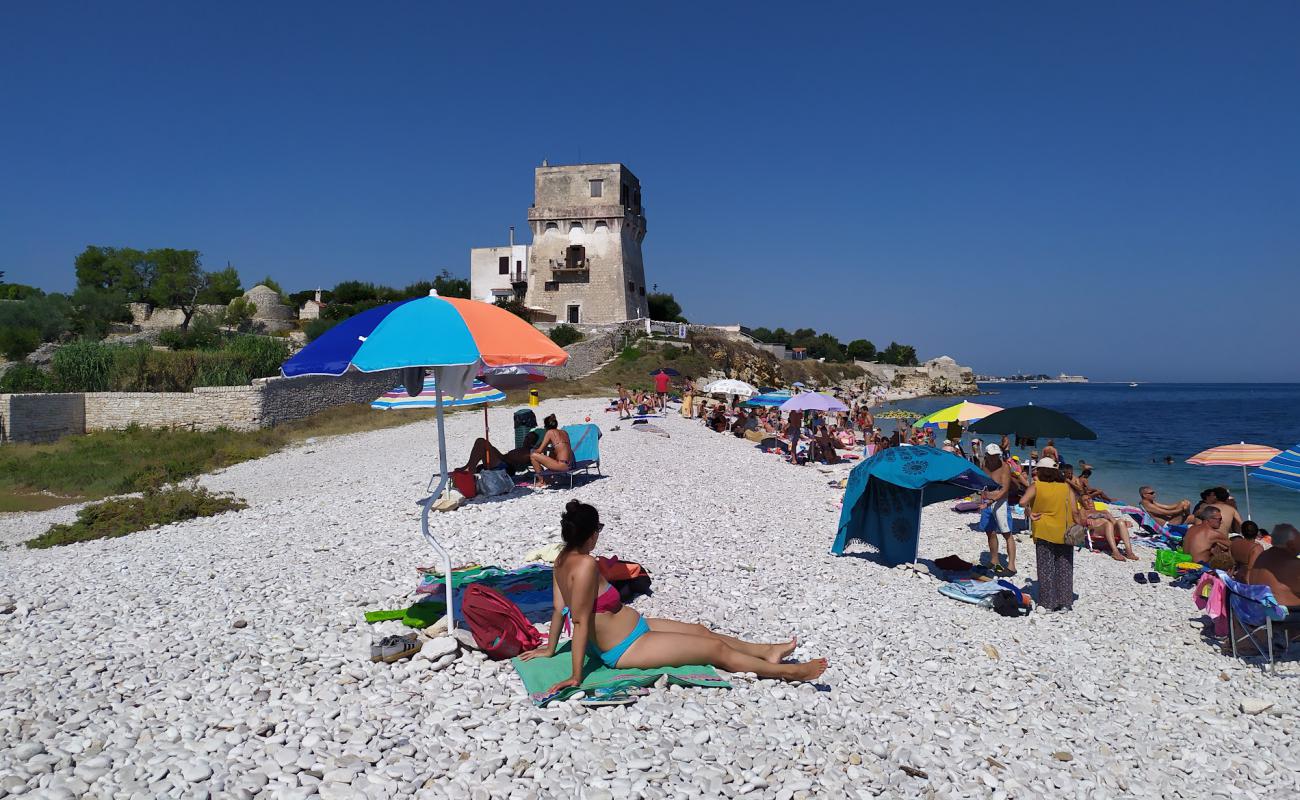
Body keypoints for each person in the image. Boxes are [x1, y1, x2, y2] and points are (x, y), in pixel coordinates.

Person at [521, 501, 829, 689]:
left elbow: (557, 611)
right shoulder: (586, 564)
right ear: (591, 534)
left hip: (636, 628)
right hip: (625, 648)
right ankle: (786, 673)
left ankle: (766, 650)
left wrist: (550, 650)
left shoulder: (561, 560)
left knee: (700, 631)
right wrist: (577, 676)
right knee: (714, 650)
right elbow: (580, 620)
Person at [1018, 457, 1081, 612]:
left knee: (1046, 567)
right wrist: (1080, 525)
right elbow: (1074, 510)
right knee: (1065, 566)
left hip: (1044, 529)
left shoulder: (1036, 486)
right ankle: (1065, 603)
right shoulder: (1066, 487)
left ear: (1040, 471)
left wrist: (1029, 511)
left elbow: (1022, 502)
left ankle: (1047, 603)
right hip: (1065, 531)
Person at [979, 444, 1017, 575]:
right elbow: (982, 482)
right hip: (987, 501)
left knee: (1007, 533)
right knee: (989, 531)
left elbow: (1005, 489)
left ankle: (1011, 566)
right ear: (987, 455)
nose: (995, 458)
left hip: (999, 501)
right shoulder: (984, 465)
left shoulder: (1005, 466)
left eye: (997, 455)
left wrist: (991, 501)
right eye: (992, 456)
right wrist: (983, 497)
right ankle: (994, 560)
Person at [1247, 523, 1300, 607]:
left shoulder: (1262, 556)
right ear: (1291, 544)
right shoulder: (1292, 564)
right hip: (1287, 615)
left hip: (1260, 610)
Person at [460, 431, 538, 475]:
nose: (526, 439)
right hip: (502, 462)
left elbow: (511, 461)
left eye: (529, 438)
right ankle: (470, 466)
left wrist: (500, 455)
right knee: (481, 442)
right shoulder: (522, 449)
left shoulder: (529, 452)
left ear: (533, 442)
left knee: (482, 442)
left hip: (505, 468)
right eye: (526, 437)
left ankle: (470, 467)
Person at [529, 414, 574, 488]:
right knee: (552, 451)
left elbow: (540, 450)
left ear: (546, 426)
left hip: (561, 466)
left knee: (533, 456)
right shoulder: (564, 432)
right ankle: (548, 477)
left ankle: (542, 481)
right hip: (570, 464)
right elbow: (560, 448)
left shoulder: (550, 432)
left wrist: (532, 450)